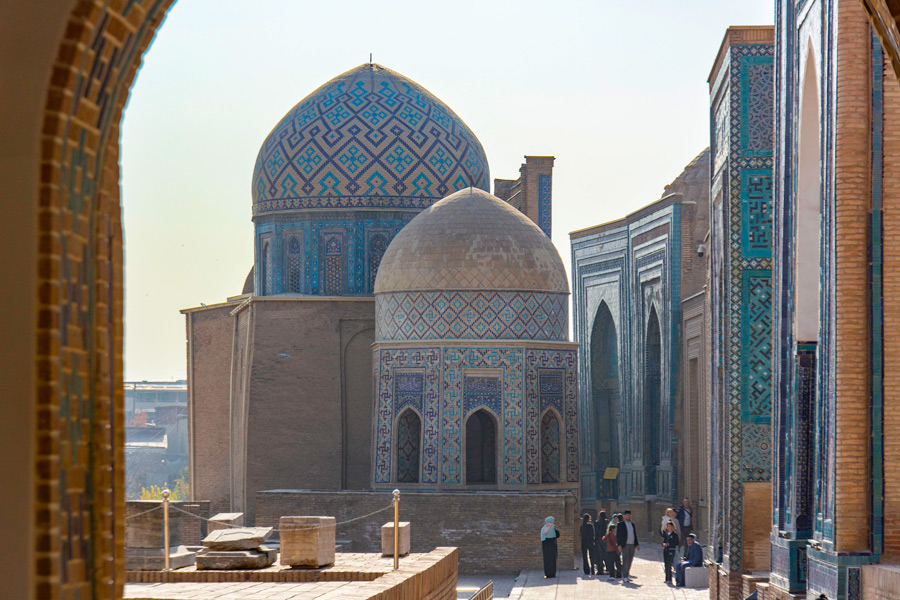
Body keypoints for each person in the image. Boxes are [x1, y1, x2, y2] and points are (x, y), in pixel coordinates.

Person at [615, 510, 640, 582]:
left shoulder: (632, 524)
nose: (627, 516)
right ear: (624, 516)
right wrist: (619, 545)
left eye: (629, 515)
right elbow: (618, 536)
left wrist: (637, 544)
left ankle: (627, 574)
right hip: (624, 544)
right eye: (626, 515)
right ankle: (624, 576)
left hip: (632, 544)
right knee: (625, 560)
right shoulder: (620, 524)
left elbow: (634, 534)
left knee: (630, 560)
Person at [661, 520, 680, 584]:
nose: (669, 528)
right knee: (666, 564)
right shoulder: (666, 534)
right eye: (668, 526)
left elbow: (676, 543)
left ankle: (669, 579)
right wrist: (663, 544)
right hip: (665, 550)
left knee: (669, 564)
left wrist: (668, 544)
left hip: (671, 550)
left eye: (670, 526)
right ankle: (667, 579)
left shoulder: (675, 535)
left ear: (673, 527)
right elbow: (664, 540)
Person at [593, 510, 609, 575]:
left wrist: (595, 540)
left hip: (599, 540)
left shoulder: (597, 522)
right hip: (606, 540)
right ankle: (608, 568)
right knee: (607, 555)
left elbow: (596, 532)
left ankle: (600, 570)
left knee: (599, 555)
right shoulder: (607, 522)